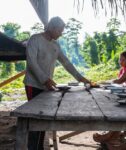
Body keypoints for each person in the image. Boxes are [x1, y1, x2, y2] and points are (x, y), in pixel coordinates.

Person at [24, 17, 91, 150]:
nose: (61, 33)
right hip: (33, 85)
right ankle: (33, 147)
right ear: (52, 28)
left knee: (42, 118)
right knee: (35, 118)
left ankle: (39, 147)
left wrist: (80, 78)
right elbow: (32, 63)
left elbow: (66, 62)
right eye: (60, 30)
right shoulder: (35, 39)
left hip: (46, 86)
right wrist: (45, 79)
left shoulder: (55, 45)